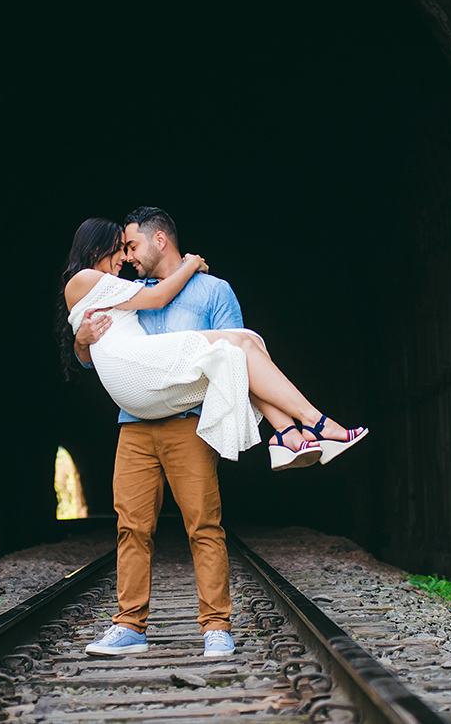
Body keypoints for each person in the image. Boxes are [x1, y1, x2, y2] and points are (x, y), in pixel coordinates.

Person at [59, 209, 367, 658]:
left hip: (187, 421)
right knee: (131, 526)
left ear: (159, 239)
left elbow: (243, 364)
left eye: (132, 247)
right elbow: (94, 359)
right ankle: (129, 626)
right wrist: (81, 338)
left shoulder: (214, 290)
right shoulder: (128, 291)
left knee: (204, 522)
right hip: (136, 423)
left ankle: (216, 626)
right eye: (120, 249)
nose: (127, 258)